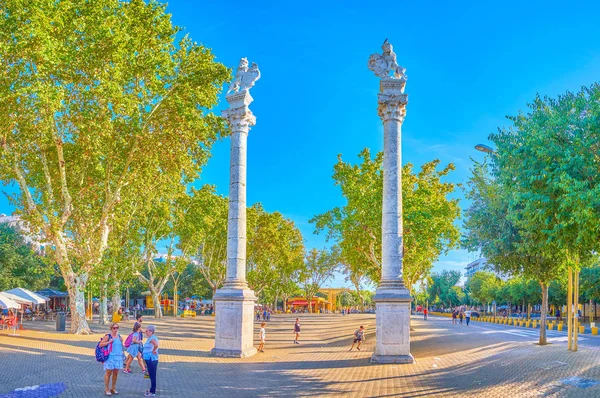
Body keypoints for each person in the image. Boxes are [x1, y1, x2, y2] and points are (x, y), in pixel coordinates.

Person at [98, 323, 124, 396]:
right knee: (108, 373)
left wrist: (121, 341)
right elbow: (100, 344)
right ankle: (106, 389)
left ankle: (113, 388)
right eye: (114, 328)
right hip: (110, 357)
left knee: (115, 373)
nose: (115, 329)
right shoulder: (108, 336)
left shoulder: (119, 336)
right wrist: (109, 342)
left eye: (117, 328)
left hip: (118, 357)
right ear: (111, 329)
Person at [143, 325, 159, 397]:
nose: (146, 332)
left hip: (151, 359)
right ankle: (152, 389)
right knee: (151, 375)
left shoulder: (152, 338)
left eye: (147, 331)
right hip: (149, 359)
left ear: (151, 331)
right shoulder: (151, 337)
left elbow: (156, 345)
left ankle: (152, 391)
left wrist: (153, 351)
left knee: (152, 375)